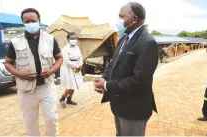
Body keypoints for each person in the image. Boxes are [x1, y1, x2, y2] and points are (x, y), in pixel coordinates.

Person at [94, 2, 158, 136]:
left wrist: (107, 85)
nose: (118, 20)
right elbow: (113, 63)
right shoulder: (123, 39)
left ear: (134, 19)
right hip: (119, 104)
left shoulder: (147, 42)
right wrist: (104, 78)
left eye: (121, 16)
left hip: (134, 108)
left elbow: (139, 81)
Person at [4, 8, 63, 136]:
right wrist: (20, 74)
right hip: (26, 91)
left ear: (39, 21)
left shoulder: (50, 39)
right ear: (23, 23)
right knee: (30, 122)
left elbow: (59, 58)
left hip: (46, 87)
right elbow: (8, 63)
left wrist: (51, 70)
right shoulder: (15, 42)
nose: (30, 23)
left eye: (33, 20)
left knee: (51, 119)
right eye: (27, 21)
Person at [59, 32, 83, 108]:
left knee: (75, 84)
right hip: (69, 69)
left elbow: (80, 57)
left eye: (75, 38)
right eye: (72, 38)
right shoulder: (65, 49)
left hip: (77, 68)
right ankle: (62, 98)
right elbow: (66, 61)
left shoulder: (77, 47)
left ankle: (69, 99)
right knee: (70, 84)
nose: (73, 40)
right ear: (68, 39)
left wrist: (80, 65)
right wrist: (76, 66)